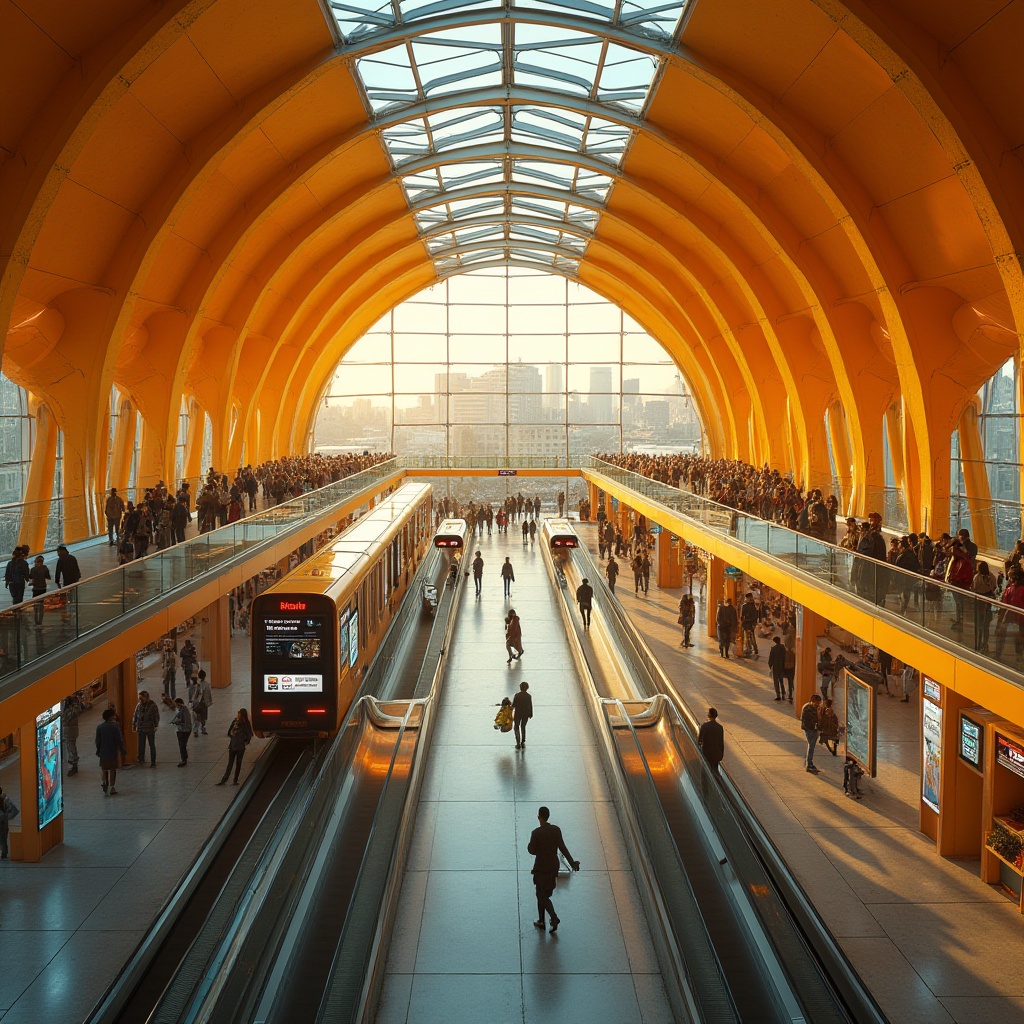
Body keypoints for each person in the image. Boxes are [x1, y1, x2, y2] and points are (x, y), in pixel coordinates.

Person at [528, 805, 580, 933]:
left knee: (540, 894)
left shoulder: (536, 833)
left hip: (541, 868)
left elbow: (531, 850)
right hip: (553, 866)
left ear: (539, 817)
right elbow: (562, 847)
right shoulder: (556, 830)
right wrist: (572, 862)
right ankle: (541, 921)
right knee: (544, 894)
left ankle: (553, 917)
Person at [95, 707, 127, 796]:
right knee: (113, 770)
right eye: (113, 716)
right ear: (110, 717)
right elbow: (119, 740)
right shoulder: (115, 727)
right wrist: (123, 750)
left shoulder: (99, 727)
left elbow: (97, 741)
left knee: (104, 769)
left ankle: (105, 783)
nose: (114, 717)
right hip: (113, 751)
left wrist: (98, 750)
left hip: (103, 752)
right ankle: (112, 787)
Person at [217, 708, 253, 785]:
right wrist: (245, 740)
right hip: (240, 747)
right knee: (238, 764)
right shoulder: (246, 723)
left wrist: (233, 738)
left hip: (232, 746)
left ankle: (224, 779)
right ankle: (235, 780)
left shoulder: (235, 722)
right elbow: (249, 734)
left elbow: (229, 733)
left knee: (230, 763)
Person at [132, 690, 160, 766]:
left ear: (146, 697)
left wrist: (156, 725)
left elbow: (156, 716)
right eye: (139, 698)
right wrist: (134, 724)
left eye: (142, 698)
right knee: (141, 745)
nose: (140, 700)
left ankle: (153, 761)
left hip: (149, 728)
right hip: (140, 728)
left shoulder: (153, 705)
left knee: (151, 745)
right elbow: (135, 715)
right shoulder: (139, 705)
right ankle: (141, 759)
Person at [62, 694, 85, 776]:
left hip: (69, 731)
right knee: (72, 747)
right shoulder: (75, 709)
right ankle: (74, 763)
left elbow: (64, 720)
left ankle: (73, 764)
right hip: (73, 731)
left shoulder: (70, 710)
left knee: (71, 748)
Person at [697, 707, 724, 773]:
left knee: (705, 772)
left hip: (706, 753)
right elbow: (721, 743)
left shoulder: (704, 726)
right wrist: (721, 755)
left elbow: (699, 740)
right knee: (715, 770)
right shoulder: (720, 727)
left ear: (709, 715)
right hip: (716, 754)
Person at [800, 693, 823, 773]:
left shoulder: (813, 707)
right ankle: (809, 764)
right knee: (811, 746)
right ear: (814, 701)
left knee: (811, 746)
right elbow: (814, 719)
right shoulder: (809, 708)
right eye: (818, 702)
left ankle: (808, 763)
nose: (819, 704)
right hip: (809, 729)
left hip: (812, 728)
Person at [28, 554, 50, 625]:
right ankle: (40, 620)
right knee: (41, 604)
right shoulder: (45, 568)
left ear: (35, 562)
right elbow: (48, 576)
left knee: (35, 604)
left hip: (36, 588)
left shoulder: (33, 569)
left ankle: (35, 619)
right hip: (43, 588)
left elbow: (30, 577)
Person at [171, 698, 193, 766]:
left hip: (184, 730)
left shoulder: (183, 710)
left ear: (178, 703)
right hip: (181, 730)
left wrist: (176, 722)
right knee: (182, 745)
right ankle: (184, 758)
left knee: (182, 745)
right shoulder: (180, 709)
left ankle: (184, 759)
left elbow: (184, 721)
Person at [512, 681, 533, 749]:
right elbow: (530, 706)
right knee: (523, 726)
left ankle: (518, 743)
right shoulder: (529, 696)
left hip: (518, 714)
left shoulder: (517, 695)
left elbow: (514, 705)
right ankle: (523, 741)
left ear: (520, 688)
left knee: (516, 727)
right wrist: (530, 714)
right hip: (525, 714)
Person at [0, 784, 19, 858]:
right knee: (3, 837)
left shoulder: (5, 800)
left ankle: (4, 852)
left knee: (2, 837)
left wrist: (5, 817)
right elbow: (14, 811)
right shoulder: (6, 799)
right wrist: (7, 817)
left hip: (2, 821)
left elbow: (14, 811)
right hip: (3, 821)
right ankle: (4, 852)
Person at [739, 593, 759, 657]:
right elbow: (756, 615)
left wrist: (742, 622)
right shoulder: (753, 606)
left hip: (747, 624)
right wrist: (755, 623)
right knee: (752, 636)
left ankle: (749, 649)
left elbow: (742, 616)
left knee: (747, 637)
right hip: (751, 624)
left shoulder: (745, 606)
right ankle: (755, 649)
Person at [767, 636, 786, 700]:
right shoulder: (783, 648)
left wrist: (770, 666)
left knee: (776, 681)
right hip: (782, 666)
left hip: (776, 667)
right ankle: (783, 693)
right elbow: (785, 657)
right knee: (781, 681)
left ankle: (778, 695)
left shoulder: (773, 649)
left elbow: (770, 659)